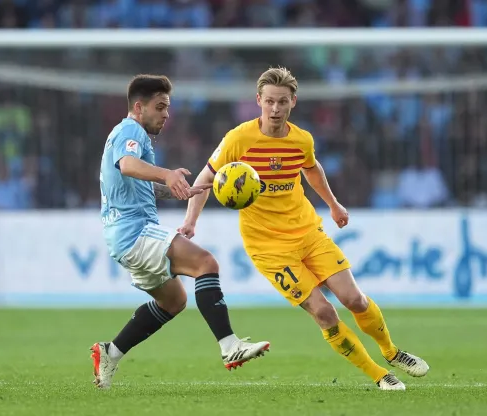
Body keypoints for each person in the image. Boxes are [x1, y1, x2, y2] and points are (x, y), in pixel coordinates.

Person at [179, 67, 429, 391]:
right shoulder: (237, 139)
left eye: (282, 102)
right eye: (269, 101)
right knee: (324, 313)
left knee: (355, 300)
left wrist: (334, 204)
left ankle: (392, 352)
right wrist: (190, 221)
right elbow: (205, 179)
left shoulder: (301, 139)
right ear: (258, 100)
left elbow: (311, 169)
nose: (275, 109)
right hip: (269, 248)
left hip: (308, 233)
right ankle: (379, 375)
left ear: (292, 102)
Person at [91, 74, 270, 390]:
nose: (166, 114)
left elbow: (135, 184)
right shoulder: (129, 130)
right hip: (134, 232)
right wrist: (167, 173)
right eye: (160, 107)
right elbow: (128, 165)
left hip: (124, 237)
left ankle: (110, 352)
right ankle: (230, 346)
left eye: (167, 107)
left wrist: (176, 190)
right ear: (138, 106)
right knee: (205, 263)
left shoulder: (129, 135)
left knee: (173, 302)